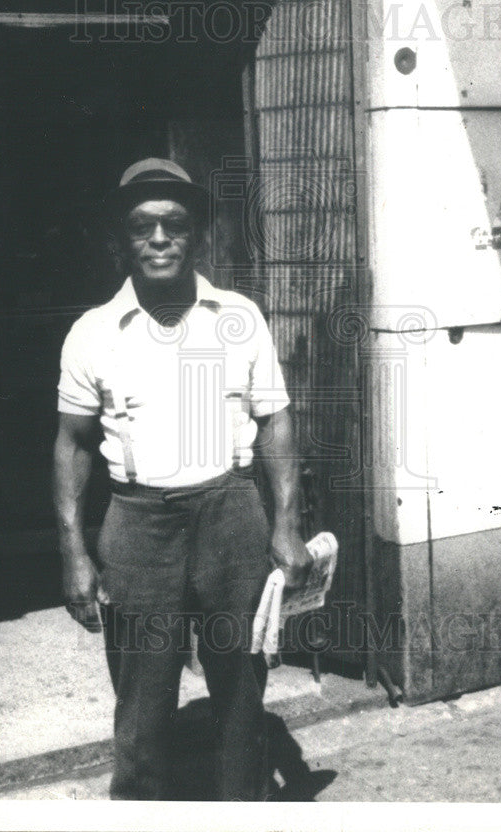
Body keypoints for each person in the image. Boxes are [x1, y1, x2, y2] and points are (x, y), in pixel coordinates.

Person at [52, 158, 313, 800]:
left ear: (196, 235)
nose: (160, 238)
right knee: (142, 698)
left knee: (240, 685)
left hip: (229, 515)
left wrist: (286, 524)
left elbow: (275, 421)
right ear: (122, 240)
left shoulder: (238, 317)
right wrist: (73, 552)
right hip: (138, 524)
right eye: (143, 228)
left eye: (174, 224)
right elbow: (71, 445)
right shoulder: (92, 333)